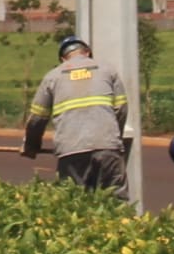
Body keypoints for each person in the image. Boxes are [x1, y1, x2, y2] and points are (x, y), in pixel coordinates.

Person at [20, 33, 131, 192]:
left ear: (63, 59)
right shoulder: (107, 70)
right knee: (115, 199)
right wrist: (114, 136)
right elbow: (121, 109)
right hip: (107, 147)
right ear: (87, 53)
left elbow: (37, 118)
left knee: (76, 201)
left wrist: (31, 145)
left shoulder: (53, 76)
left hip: (71, 150)